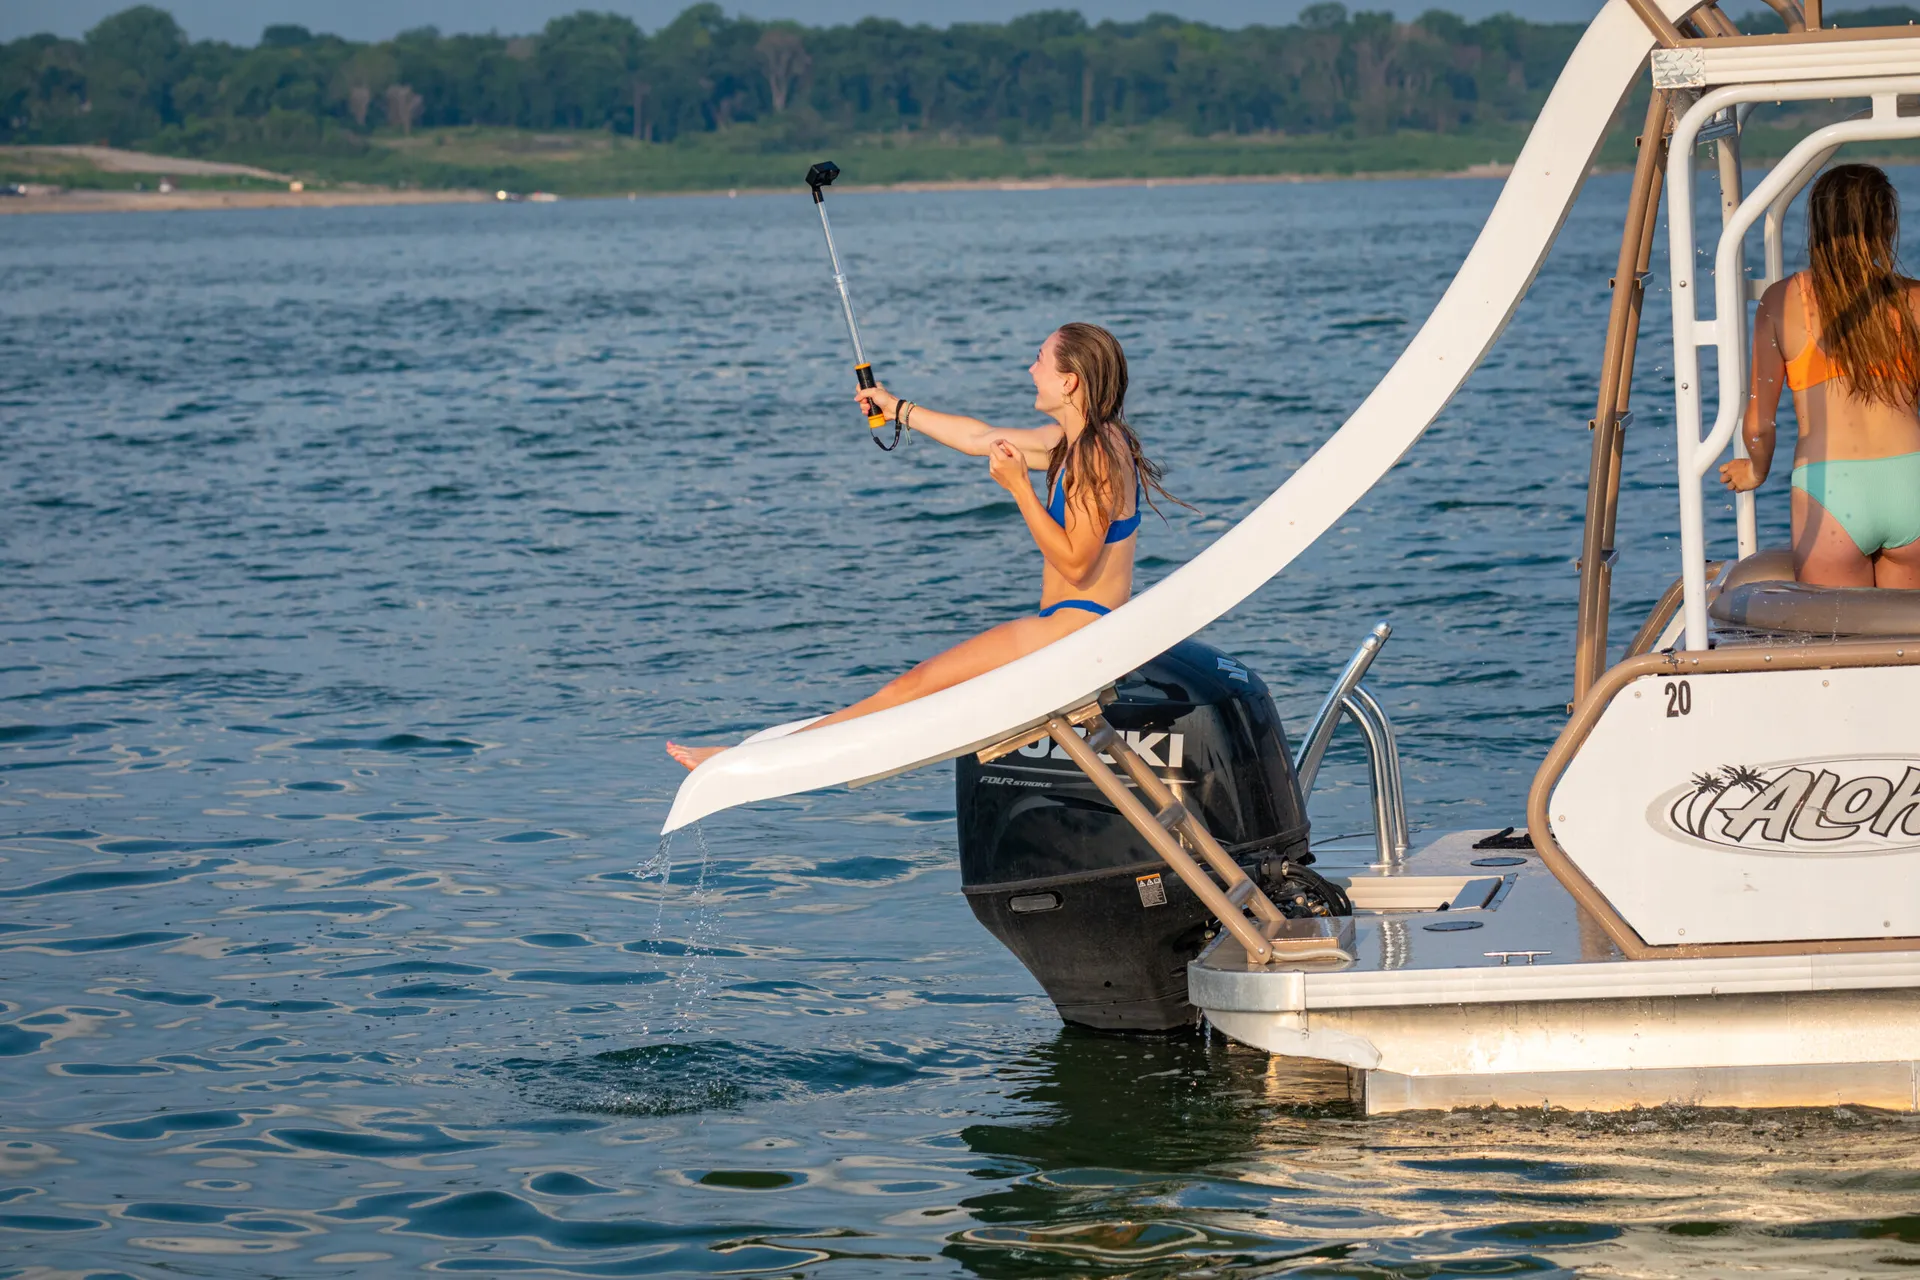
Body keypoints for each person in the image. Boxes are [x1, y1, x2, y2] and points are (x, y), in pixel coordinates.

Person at [667, 322, 1181, 770]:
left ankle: (746, 761)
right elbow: (980, 436)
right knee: (911, 691)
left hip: (1075, 631)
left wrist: (1020, 488)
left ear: (1069, 380)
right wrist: (898, 409)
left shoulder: (1095, 453)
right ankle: (758, 753)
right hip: (1068, 627)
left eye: (1040, 359)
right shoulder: (1080, 441)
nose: (1030, 369)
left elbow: (1075, 559)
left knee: (909, 690)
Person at [1720, 163, 1920, 588]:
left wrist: (1755, 471)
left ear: (1818, 224)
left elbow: (1759, 424)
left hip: (1831, 489)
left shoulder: (1781, 301)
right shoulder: (1915, 299)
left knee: (1836, 644)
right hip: (1912, 480)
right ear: (1887, 223)